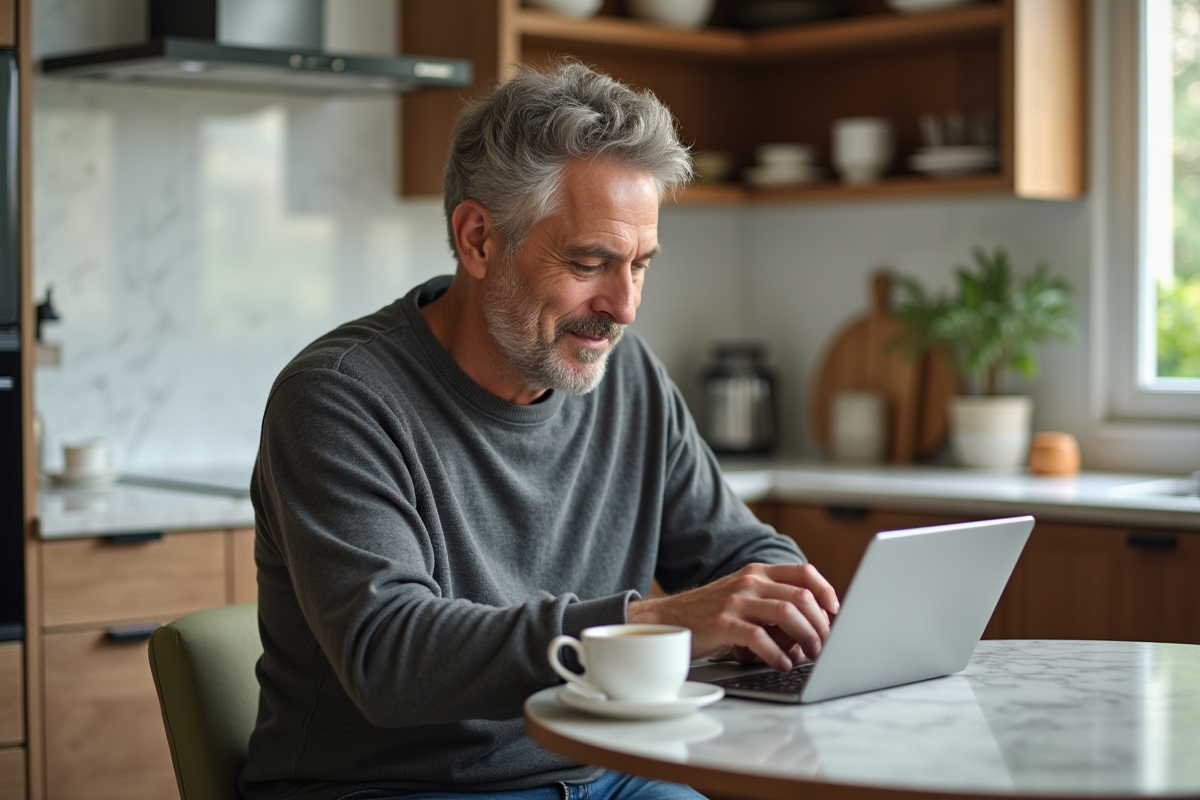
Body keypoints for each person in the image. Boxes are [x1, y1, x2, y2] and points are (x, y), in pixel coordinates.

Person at [241, 61, 840, 800]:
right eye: (591, 263)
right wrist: (645, 623)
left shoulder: (629, 378)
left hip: (602, 775)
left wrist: (791, 601)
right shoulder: (340, 399)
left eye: (641, 265)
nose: (623, 306)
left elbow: (734, 552)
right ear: (478, 239)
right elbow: (387, 656)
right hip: (401, 789)